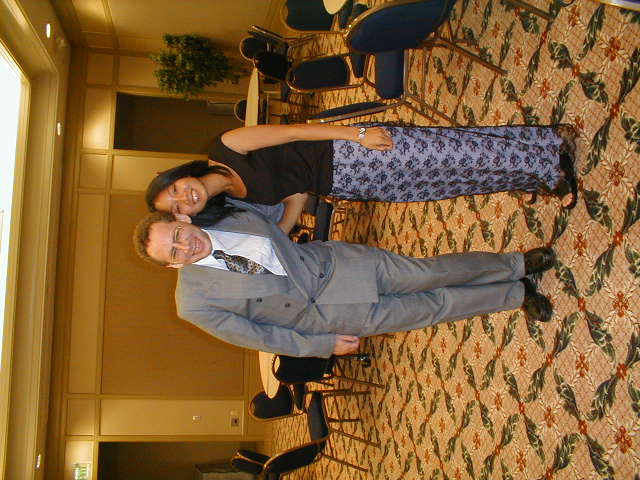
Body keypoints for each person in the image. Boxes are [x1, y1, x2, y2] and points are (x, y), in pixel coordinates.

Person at [132, 199, 557, 358]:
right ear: (172, 266)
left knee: (430, 272)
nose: (185, 246)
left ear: (181, 220)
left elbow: (281, 204)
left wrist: (295, 199)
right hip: (330, 317)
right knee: (432, 309)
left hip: (339, 266)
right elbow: (259, 337)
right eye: (173, 253)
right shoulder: (194, 304)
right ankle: (514, 296)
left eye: (177, 235)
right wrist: (321, 345)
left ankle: (515, 265)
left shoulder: (229, 211)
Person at [145, 123, 578, 233]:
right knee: (446, 179)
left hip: (348, 150)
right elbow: (295, 192)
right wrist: (283, 229)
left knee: (453, 150)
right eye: (178, 207)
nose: (184, 197)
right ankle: (535, 164)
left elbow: (293, 132)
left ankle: (549, 161)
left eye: (175, 190)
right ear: (187, 216)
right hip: (348, 184)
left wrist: (358, 134)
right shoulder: (238, 200)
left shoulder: (226, 147)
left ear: (178, 176)